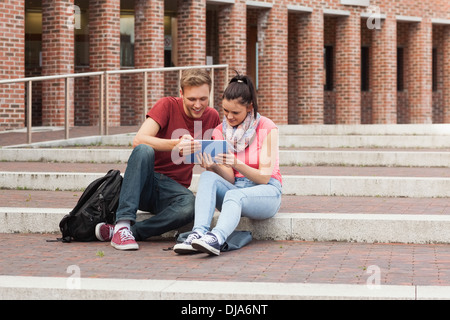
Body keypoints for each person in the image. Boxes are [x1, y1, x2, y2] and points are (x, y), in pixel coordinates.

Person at [95, 69, 220, 250]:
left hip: (173, 192)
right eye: (192, 99)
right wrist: (175, 144)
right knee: (144, 150)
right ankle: (123, 224)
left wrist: (211, 164)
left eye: (203, 99)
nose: (198, 105)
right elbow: (139, 139)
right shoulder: (167, 105)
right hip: (145, 183)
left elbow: (213, 158)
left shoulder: (212, 116)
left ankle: (129, 231)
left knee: (191, 205)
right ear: (181, 94)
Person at [174, 72, 282, 256]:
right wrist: (213, 166)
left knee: (235, 195)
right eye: (225, 111)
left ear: (249, 107)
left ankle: (216, 238)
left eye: (235, 112)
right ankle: (198, 232)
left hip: (267, 192)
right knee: (208, 176)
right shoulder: (219, 131)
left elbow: (264, 177)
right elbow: (230, 177)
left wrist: (236, 163)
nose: (229, 117)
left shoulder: (267, 127)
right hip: (236, 188)